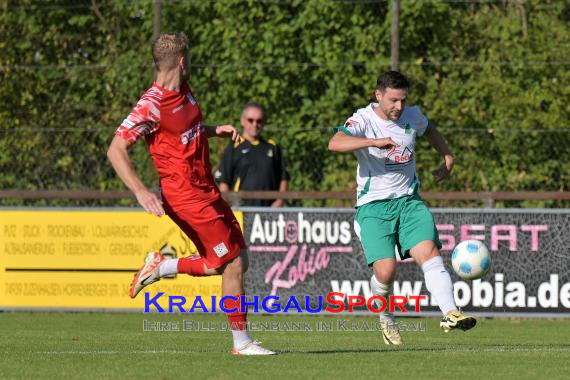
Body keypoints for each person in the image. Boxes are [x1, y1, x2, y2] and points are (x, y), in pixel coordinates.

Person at [106, 32, 275, 356]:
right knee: (233, 265)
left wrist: (214, 130)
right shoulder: (151, 105)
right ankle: (242, 344)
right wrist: (141, 191)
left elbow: (185, 130)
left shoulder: (184, 90)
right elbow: (116, 149)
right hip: (186, 196)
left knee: (231, 261)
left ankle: (160, 267)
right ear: (183, 62)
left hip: (206, 190)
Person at [328, 70, 476, 346]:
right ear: (378, 95)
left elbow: (429, 129)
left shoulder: (411, 115)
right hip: (373, 206)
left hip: (409, 201)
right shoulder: (363, 119)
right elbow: (334, 143)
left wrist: (447, 155)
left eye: (403, 101)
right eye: (393, 100)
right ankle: (386, 318)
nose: (399, 107)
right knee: (386, 272)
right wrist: (373, 142)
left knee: (428, 252)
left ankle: (450, 312)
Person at [215, 102, 289, 207]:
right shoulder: (234, 147)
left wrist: (280, 201)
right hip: (241, 211)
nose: (255, 124)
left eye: (259, 121)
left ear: (264, 122)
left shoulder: (272, 147)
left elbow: (283, 177)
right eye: (250, 120)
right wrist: (229, 206)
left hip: (269, 213)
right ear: (242, 121)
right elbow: (224, 182)